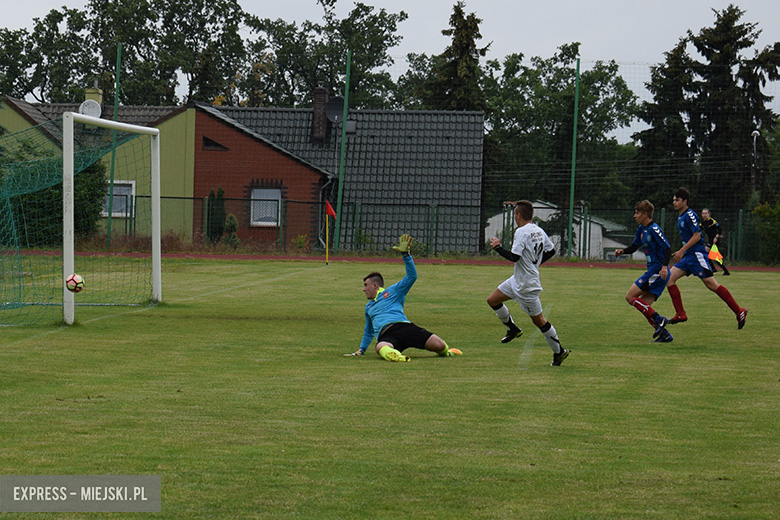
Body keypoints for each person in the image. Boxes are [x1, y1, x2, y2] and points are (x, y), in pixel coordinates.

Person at [344, 233, 462, 361]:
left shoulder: (393, 292)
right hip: (387, 335)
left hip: (405, 327)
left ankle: (447, 352)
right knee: (380, 346)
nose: (363, 289)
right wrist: (362, 349)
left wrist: (406, 256)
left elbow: (412, 277)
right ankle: (397, 356)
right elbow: (368, 331)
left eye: (366, 285)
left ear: (375, 285)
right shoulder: (369, 307)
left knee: (439, 345)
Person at [486, 200, 569, 366]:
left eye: (515, 214)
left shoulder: (521, 232)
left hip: (527, 286)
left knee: (539, 321)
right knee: (493, 300)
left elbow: (514, 257)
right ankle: (513, 329)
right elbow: (551, 250)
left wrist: (497, 247)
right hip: (517, 279)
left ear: (518, 215)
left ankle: (559, 351)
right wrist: (535, 264)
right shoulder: (538, 230)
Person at [665, 188, 747, 329]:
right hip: (688, 257)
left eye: (677, 200)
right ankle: (680, 313)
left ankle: (739, 311)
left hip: (696, 255)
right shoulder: (681, 216)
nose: (674, 202)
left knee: (712, 285)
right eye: (673, 200)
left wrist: (681, 251)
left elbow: (696, 236)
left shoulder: (690, 215)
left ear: (685, 201)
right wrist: (684, 253)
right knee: (669, 279)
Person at [614, 200, 673, 343]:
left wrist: (664, 267)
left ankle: (660, 320)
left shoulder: (654, 229)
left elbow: (667, 248)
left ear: (645, 214)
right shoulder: (641, 229)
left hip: (658, 271)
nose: (635, 216)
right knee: (645, 307)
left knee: (630, 297)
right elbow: (634, 247)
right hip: (655, 271)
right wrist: (622, 251)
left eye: (637, 213)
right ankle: (665, 335)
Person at [701, 208, 731, 275]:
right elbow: (698, 229)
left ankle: (722, 270)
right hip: (710, 240)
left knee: (712, 256)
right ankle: (718, 269)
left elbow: (719, 230)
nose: (704, 215)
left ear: (709, 214)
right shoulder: (703, 223)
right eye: (703, 213)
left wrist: (716, 237)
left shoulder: (712, 221)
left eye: (706, 213)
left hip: (715, 240)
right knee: (709, 255)